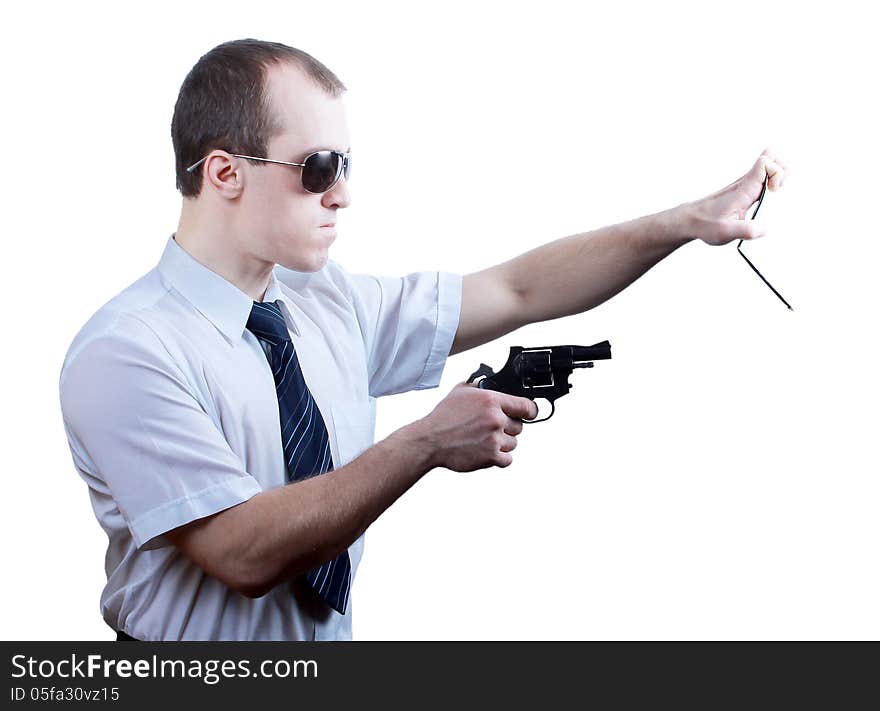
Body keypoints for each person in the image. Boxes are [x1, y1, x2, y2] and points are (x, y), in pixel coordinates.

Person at [58, 39, 788, 641]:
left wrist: (683, 224)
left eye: (345, 166)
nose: (342, 193)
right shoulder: (127, 353)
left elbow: (519, 290)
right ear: (224, 172)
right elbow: (242, 551)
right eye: (317, 168)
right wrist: (424, 443)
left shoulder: (325, 300)